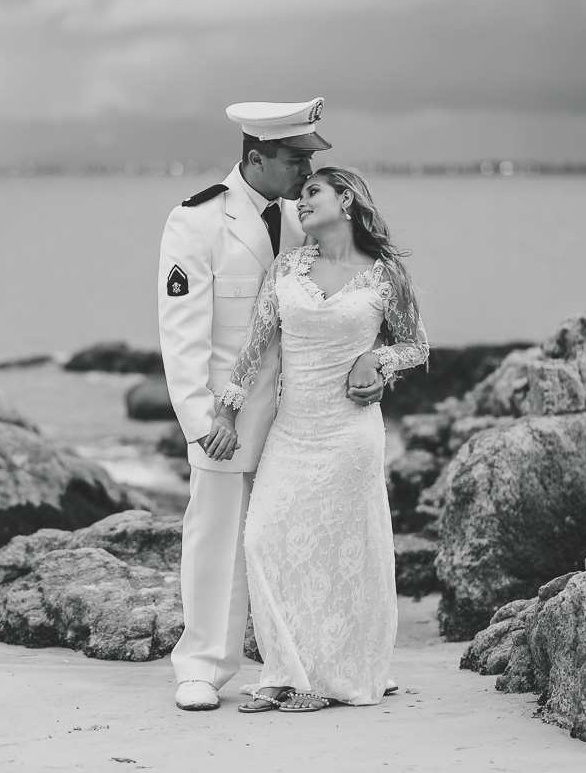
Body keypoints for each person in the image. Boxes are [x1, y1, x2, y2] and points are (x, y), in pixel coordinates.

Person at [157, 99, 386, 711]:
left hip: (305, 417)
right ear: (257, 157)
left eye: (310, 158)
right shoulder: (196, 221)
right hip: (230, 416)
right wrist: (202, 421)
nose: (307, 168)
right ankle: (201, 665)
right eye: (297, 157)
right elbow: (181, 336)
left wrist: (373, 364)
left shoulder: (301, 216)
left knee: (302, 536)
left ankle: (319, 658)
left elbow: (344, 306)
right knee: (219, 539)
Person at [204, 166, 429, 713]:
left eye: (312, 192)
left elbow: (417, 347)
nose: (300, 202)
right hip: (294, 431)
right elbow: (254, 350)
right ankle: (285, 669)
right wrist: (227, 415)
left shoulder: (384, 275)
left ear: (345, 199)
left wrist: (378, 359)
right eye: (301, 195)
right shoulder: (287, 266)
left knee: (342, 555)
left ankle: (322, 681)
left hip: (351, 436)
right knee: (264, 539)